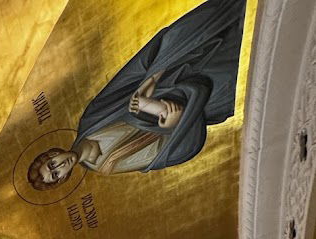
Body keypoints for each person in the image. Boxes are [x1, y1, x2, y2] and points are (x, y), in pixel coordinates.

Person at [28, 0, 247, 188]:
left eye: (52, 164)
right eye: (56, 174)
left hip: (163, 80)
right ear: (64, 178)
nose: (60, 166)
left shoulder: (90, 120)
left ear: (52, 154)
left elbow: (126, 79)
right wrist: (170, 122)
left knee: (181, 42)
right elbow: (162, 153)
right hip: (179, 110)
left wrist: (152, 78)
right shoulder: (108, 164)